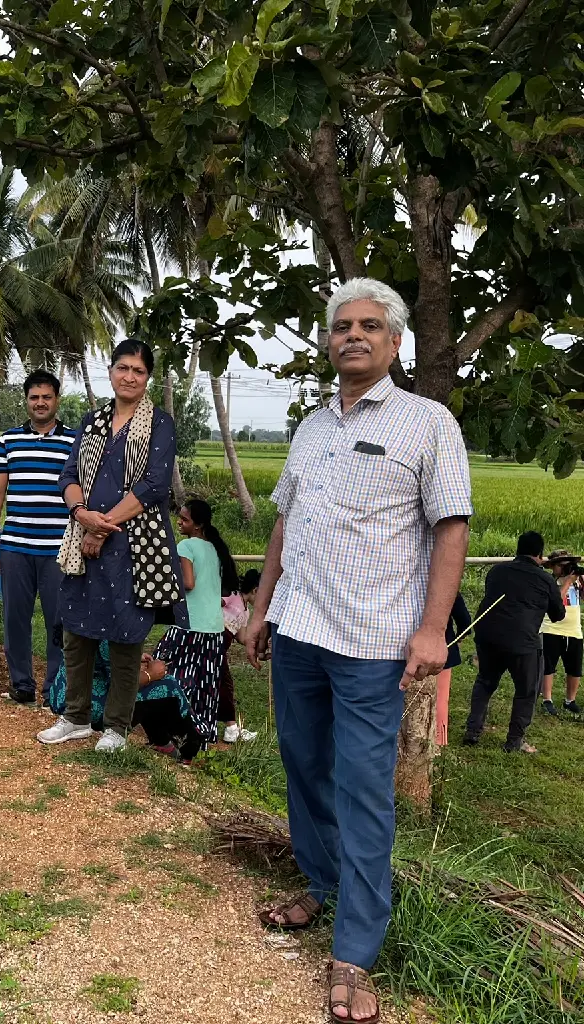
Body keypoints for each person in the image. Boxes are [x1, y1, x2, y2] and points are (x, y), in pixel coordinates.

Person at [244, 278, 473, 1024]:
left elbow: (451, 528)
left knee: (364, 789)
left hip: (373, 643)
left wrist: (433, 629)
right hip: (300, 632)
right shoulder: (311, 426)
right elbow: (285, 522)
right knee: (304, 765)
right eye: (342, 325)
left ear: (395, 341)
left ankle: (356, 950)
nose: (353, 335)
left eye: (370, 325)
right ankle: (320, 880)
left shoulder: (427, 422)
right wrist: (262, 606)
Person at [38, 339, 185, 754]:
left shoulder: (159, 423)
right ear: (111, 371)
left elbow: (154, 484)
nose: (130, 377)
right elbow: (68, 475)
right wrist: (81, 513)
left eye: (139, 371)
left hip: (133, 545)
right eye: (123, 368)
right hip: (82, 538)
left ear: (147, 378)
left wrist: (101, 528)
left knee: (125, 635)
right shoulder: (93, 421)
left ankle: (117, 726)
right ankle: (76, 717)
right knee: (76, 630)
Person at [0, 371, 76, 704]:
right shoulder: (9, 441)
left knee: (59, 622)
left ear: (56, 400)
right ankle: (21, 683)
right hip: (16, 547)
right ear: (27, 401)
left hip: (59, 549)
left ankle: (55, 687)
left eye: (46, 397)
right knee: (15, 619)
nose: (40, 403)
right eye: (34, 397)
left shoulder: (75, 442)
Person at [150, 498, 238, 756]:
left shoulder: (186, 546)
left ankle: (167, 728)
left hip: (190, 624)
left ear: (198, 524)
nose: (179, 521)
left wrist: (164, 581)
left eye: (185, 519)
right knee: (205, 682)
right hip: (213, 628)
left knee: (161, 667)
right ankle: (201, 734)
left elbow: (187, 583)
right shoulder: (215, 549)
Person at [464, 531, 565, 753]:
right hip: (523, 642)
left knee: (485, 681)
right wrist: (558, 579)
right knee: (526, 691)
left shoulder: (497, 571)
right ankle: (514, 741)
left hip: (488, 635)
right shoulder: (545, 579)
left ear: (518, 549)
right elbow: (558, 615)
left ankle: (473, 730)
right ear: (540, 554)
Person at [46, 631, 199, 756]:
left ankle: (162, 742)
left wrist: (134, 660)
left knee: (153, 687)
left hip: (63, 696)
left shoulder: (90, 614)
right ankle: (190, 751)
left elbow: (102, 657)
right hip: (93, 708)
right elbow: (120, 683)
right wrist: (151, 674)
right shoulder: (112, 623)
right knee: (167, 685)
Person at [219, 567, 261, 743]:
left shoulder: (245, 611)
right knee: (225, 684)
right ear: (255, 590)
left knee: (223, 683)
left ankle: (228, 726)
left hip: (222, 647)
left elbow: (243, 638)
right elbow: (214, 603)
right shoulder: (232, 595)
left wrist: (260, 644)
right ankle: (231, 728)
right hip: (214, 640)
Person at [539, 550, 582, 717]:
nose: (564, 568)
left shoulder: (577, 581)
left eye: (567, 564)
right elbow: (555, 601)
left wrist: (578, 580)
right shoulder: (549, 581)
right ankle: (547, 699)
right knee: (548, 666)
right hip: (552, 628)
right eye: (560, 564)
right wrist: (567, 582)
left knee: (575, 668)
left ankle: (570, 700)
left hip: (574, 630)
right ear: (552, 567)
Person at [436, 593, 472, 746]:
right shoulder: (448, 589)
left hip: (405, 650)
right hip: (443, 647)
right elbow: (465, 622)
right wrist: (459, 636)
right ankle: (438, 740)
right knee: (440, 697)